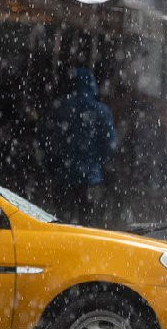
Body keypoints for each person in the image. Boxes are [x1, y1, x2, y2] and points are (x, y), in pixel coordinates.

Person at [38, 66, 117, 224]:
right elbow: (109, 142)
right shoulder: (101, 111)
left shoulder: (58, 107)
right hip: (90, 177)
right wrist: (98, 162)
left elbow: (45, 138)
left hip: (62, 175)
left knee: (62, 222)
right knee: (87, 223)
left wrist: (52, 165)